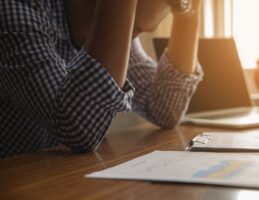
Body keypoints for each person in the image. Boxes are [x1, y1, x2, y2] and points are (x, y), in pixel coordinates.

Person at [0, 0, 203, 157]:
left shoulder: (121, 32)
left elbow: (164, 109)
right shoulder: (16, 10)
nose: (130, 37)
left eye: (138, 30)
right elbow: (79, 130)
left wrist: (189, 14)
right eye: (131, 25)